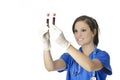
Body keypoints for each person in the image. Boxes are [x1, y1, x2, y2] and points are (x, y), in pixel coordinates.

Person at [41, 15, 112, 80]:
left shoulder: (102, 55)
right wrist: (46, 45)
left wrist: (66, 44)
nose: (79, 35)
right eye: (75, 31)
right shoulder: (69, 57)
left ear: (93, 32)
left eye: (83, 30)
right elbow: (50, 67)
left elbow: (90, 66)